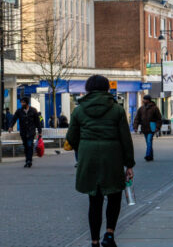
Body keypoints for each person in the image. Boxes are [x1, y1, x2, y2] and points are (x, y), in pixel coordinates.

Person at [66, 75, 135, 247]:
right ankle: (109, 234)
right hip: (112, 157)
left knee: (94, 201)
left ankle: (94, 241)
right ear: (107, 88)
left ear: (88, 89)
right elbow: (126, 139)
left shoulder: (79, 110)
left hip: (89, 158)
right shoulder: (117, 110)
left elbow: (71, 138)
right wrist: (129, 164)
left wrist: (83, 147)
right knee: (114, 196)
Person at [8, 97, 43, 168]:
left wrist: (40, 131)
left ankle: (29, 160)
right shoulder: (19, 111)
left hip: (31, 132)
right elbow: (14, 119)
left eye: (23, 102)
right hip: (23, 132)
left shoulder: (33, 110)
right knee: (26, 146)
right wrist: (11, 126)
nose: (22, 104)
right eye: (21, 102)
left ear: (27, 103)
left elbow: (37, 122)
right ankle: (27, 160)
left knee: (30, 145)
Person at [133, 95, 162, 162]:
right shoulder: (141, 109)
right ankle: (151, 156)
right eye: (143, 99)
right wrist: (135, 127)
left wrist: (157, 127)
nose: (143, 100)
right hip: (144, 128)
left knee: (149, 141)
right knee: (148, 142)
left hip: (151, 128)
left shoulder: (155, 108)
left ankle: (148, 155)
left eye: (144, 99)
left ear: (148, 100)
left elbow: (159, 119)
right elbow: (137, 119)